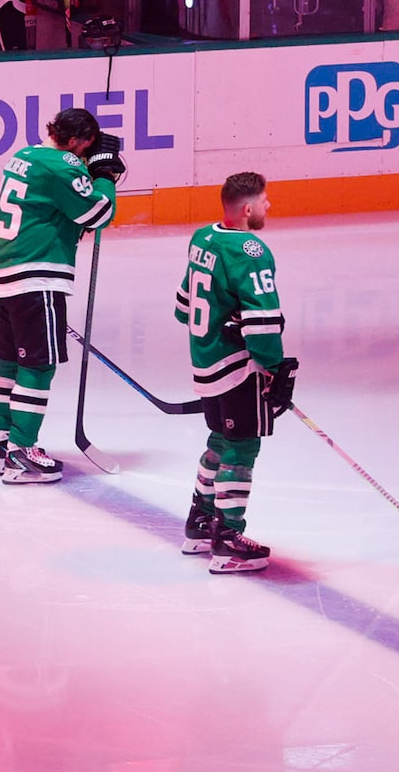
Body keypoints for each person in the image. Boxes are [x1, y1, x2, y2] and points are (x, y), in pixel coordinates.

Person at [0, 107, 123, 485]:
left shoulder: (24, 155)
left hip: (2, 272)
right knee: (38, 365)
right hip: (35, 275)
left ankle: (4, 443)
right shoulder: (63, 165)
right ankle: (22, 451)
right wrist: (105, 174)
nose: (83, 157)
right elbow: (97, 212)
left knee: (9, 359)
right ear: (75, 142)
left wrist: (90, 171)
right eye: (84, 149)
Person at [179, 171, 295, 574]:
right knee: (242, 446)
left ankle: (200, 522)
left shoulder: (202, 239)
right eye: (265, 200)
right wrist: (275, 368)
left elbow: (182, 305)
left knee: (220, 437)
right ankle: (228, 539)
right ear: (247, 209)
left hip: (204, 360)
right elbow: (262, 322)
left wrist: (222, 319)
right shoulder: (251, 250)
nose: (269, 206)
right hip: (237, 366)